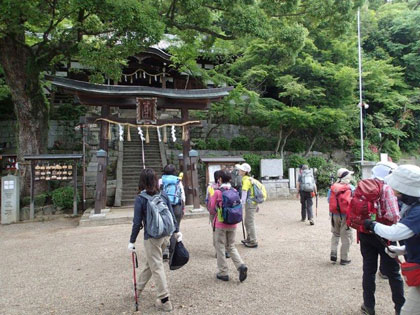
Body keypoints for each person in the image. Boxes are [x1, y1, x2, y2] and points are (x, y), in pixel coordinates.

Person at [364, 164, 420, 315]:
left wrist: (373, 225)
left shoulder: (417, 211)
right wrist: (402, 249)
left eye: (397, 190)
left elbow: (395, 233)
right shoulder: (414, 207)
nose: (394, 193)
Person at [128, 168, 180, 312]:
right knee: (151, 263)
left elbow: (137, 222)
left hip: (152, 237)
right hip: (166, 236)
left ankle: (165, 300)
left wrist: (131, 241)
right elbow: (171, 213)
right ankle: (137, 289)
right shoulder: (163, 194)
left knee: (156, 266)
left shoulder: (141, 198)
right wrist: (176, 231)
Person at [357, 164, 404, 315]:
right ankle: (399, 308)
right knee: (393, 273)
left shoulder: (363, 185)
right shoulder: (386, 188)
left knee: (368, 270)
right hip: (385, 234)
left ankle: (369, 306)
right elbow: (394, 216)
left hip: (365, 232)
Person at [208, 170, 248, 282]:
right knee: (231, 246)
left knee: (220, 246)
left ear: (220, 179)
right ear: (230, 179)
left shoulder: (217, 192)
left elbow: (211, 208)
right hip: (233, 223)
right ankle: (240, 265)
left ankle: (223, 272)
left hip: (220, 224)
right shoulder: (234, 191)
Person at [328, 168, 354, 265]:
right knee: (346, 237)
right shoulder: (350, 187)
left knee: (335, 234)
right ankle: (344, 258)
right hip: (346, 215)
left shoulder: (333, 187)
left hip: (334, 215)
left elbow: (328, 200)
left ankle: (333, 253)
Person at [159, 164, 185, 260]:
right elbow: (182, 196)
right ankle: (172, 252)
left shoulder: (161, 180)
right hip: (176, 207)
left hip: (163, 207)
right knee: (175, 228)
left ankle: (164, 250)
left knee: (163, 228)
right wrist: (183, 208)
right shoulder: (178, 181)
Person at [206, 170, 229, 258]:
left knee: (216, 232)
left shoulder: (210, 187)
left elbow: (207, 200)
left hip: (214, 213)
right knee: (226, 231)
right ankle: (226, 250)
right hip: (225, 212)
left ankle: (218, 252)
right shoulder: (227, 187)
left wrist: (211, 210)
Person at [236, 163, 259, 248]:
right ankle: (249, 238)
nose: (238, 171)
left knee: (249, 222)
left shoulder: (246, 180)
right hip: (252, 202)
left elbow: (244, 192)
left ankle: (253, 241)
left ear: (244, 171)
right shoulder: (248, 179)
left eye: (240, 170)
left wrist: (242, 204)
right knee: (247, 222)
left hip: (250, 203)